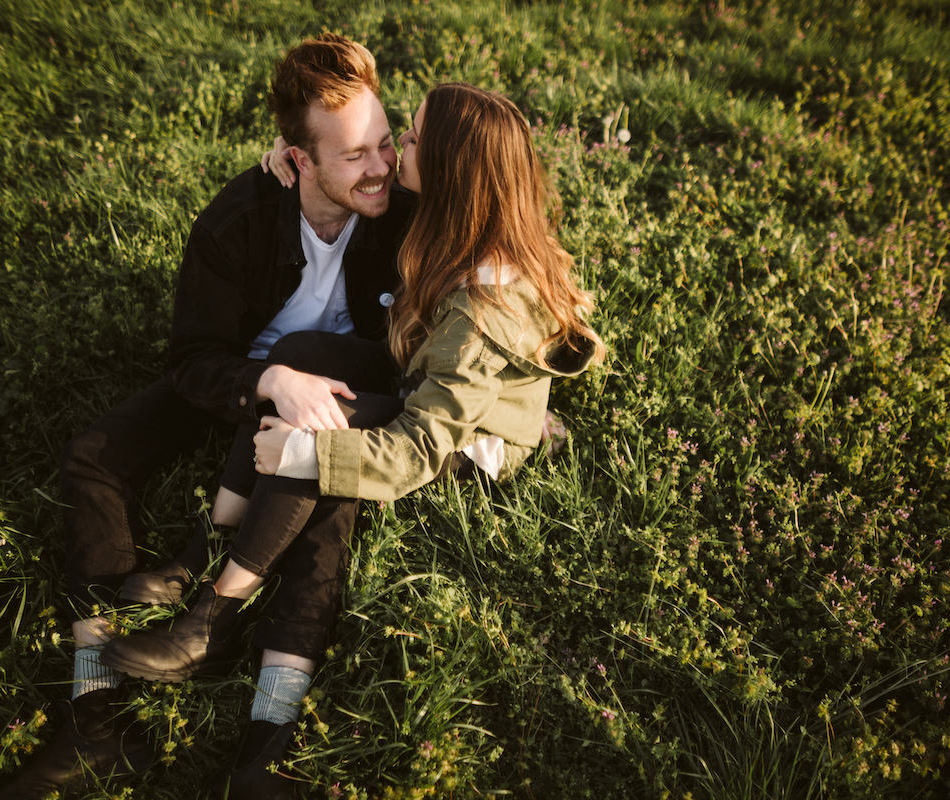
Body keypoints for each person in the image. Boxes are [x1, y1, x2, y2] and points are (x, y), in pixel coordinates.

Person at [99, 82, 604, 797]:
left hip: (461, 440)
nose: (396, 148)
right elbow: (345, 169)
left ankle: (219, 619)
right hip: (423, 380)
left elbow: (419, 452)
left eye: (413, 138)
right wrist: (297, 161)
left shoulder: (486, 305)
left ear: (454, 170)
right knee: (307, 359)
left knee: (332, 449)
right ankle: (203, 549)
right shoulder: (454, 213)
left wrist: (300, 454)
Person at [0, 33, 414, 800]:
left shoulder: (405, 209)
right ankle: (96, 716)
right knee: (91, 455)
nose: (379, 166)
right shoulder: (236, 221)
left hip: (341, 398)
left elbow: (511, 259)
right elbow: (190, 360)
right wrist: (270, 379)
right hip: (245, 384)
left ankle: (265, 749)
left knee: (327, 502)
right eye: (353, 155)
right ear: (297, 158)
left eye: (384, 143)